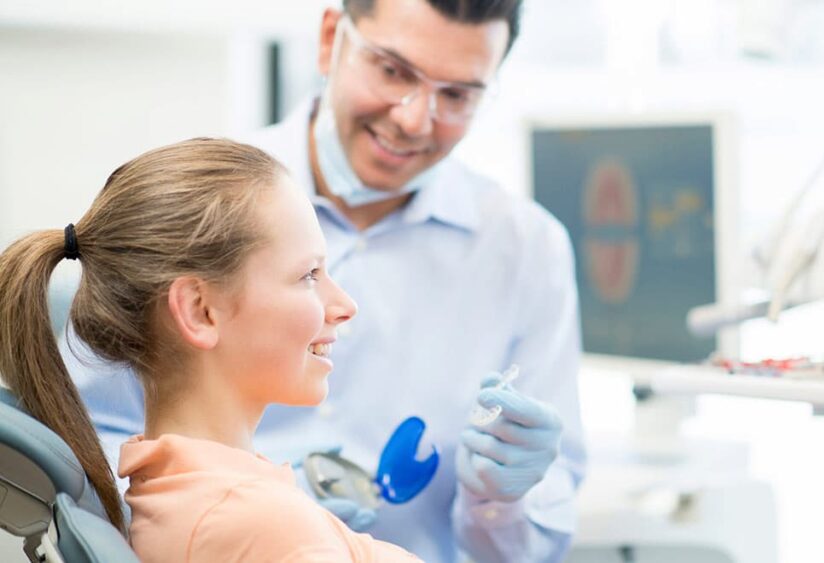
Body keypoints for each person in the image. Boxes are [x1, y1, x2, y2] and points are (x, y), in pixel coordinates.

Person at [69, 0, 586, 561]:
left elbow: (531, 539)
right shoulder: (204, 203)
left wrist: (499, 503)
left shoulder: (527, 250)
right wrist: (252, 518)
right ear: (330, 38)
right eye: (393, 71)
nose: (414, 119)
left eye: (456, 95)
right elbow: (77, 455)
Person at [0, 138, 420, 561]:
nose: (346, 306)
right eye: (308, 274)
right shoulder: (258, 523)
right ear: (199, 310)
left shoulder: (192, 494)